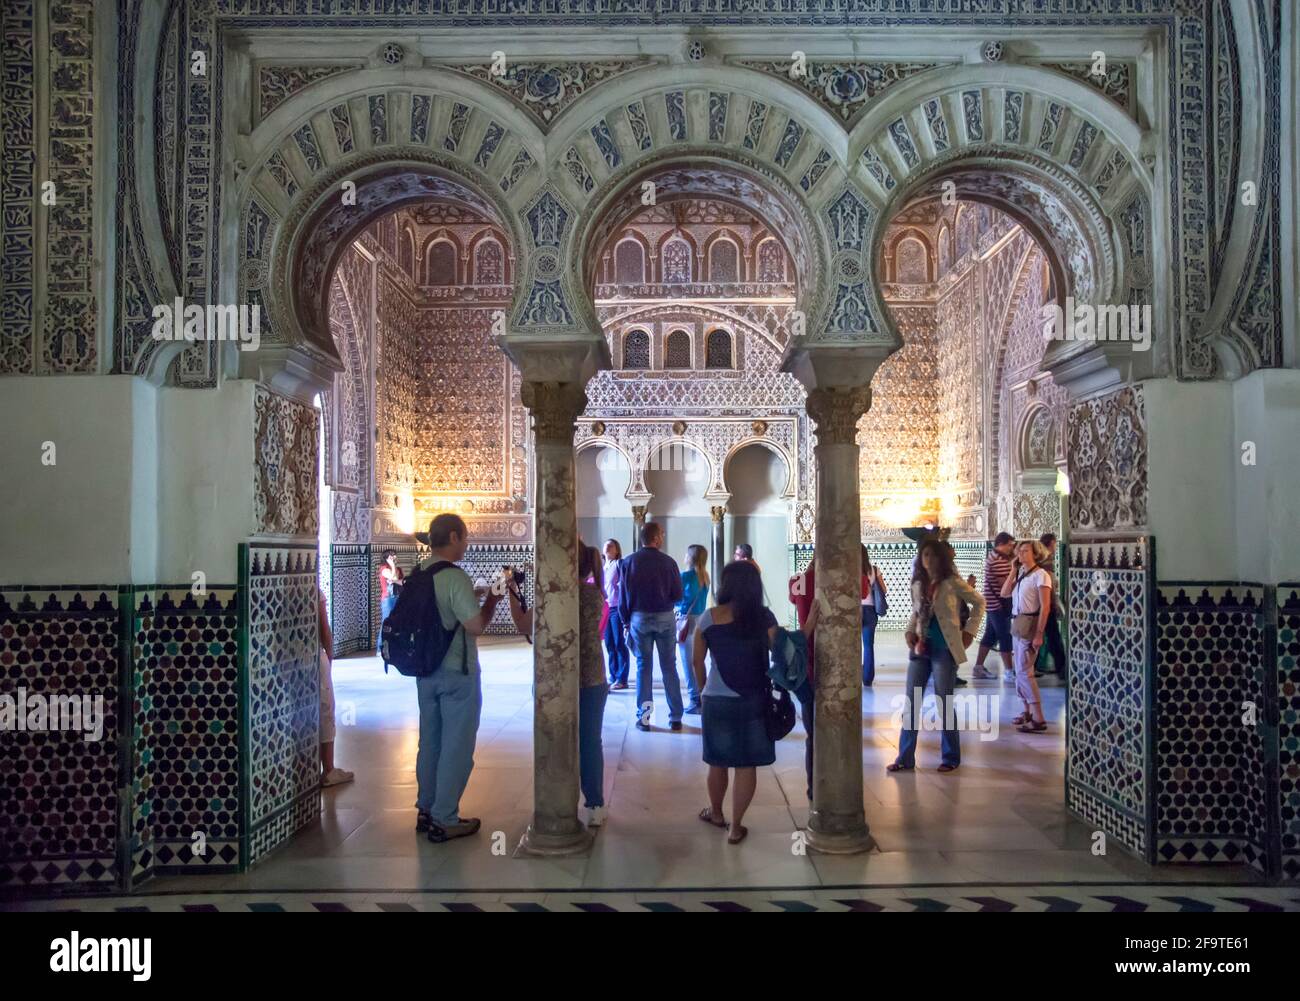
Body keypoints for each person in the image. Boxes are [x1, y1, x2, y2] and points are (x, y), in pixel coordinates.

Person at [692, 560, 816, 844]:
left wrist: (702, 692)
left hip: (716, 699)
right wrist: (807, 627)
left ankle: (716, 813)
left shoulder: (709, 617)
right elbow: (785, 651)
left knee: (717, 761)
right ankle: (735, 828)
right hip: (752, 698)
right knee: (745, 765)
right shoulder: (763, 618)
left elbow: (696, 661)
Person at [505, 543, 610, 827]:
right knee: (590, 741)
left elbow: (523, 625)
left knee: (554, 740)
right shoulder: (594, 593)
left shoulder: (554, 595)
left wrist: (513, 592)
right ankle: (595, 806)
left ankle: (555, 803)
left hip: (556, 678)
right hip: (593, 676)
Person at [413, 513, 504, 842]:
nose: (466, 544)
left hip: (425, 672)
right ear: (452, 537)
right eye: (463, 538)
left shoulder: (419, 572)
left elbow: (444, 609)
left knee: (430, 742)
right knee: (457, 745)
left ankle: (426, 809)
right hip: (456, 674)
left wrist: (474, 595)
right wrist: (493, 599)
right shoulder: (454, 577)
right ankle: (445, 817)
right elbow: (475, 626)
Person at [889, 539, 985, 774]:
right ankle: (905, 757)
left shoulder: (952, 583)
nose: (929, 559)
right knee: (912, 702)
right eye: (925, 555)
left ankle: (950, 756)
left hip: (944, 649)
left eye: (933, 555)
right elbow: (916, 612)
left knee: (944, 702)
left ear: (942, 558)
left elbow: (979, 602)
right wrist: (910, 631)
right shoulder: (919, 584)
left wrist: (969, 631)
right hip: (921, 649)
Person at [619, 521, 685, 731]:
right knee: (669, 667)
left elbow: (623, 597)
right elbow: (678, 594)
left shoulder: (628, 562)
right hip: (665, 617)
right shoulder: (669, 562)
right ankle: (675, 717)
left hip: (639, 618)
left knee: (643, 668)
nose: (663, 538)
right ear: (656, 538)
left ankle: (645, 718)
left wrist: (625, 620)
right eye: (662, 535)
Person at [1001, 539, 1053, 733]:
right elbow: (1004, 592)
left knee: (1025, 672)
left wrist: (1039, 634)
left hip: (1030, 624)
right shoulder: (1022, 573)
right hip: (1018, 623)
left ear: (1035, 553)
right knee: (1019, 671)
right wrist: (1013, 570)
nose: (1020, 554)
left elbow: (1045, 607)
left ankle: (1038, 717)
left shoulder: (1041, 576)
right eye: (1019, 551)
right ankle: (1027, 711)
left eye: (1025, 551)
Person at [318, 589, 354, 788]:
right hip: (315, 657)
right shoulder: (314, 592)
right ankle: (329, 769)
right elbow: (324, 628)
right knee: (325, 711)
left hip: (291, 660)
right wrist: (329, 655)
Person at [970, 532, 1015, 682]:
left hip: (992, 603)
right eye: (1010, 545)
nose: (1011, 549)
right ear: (1003, 544)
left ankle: (978, 668)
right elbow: (1005, 587)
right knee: (1005, 636)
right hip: (998, 605)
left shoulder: (994, 557)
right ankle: (1009, 672)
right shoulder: (999, 561)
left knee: (990, 636)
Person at [676, 544, 710, 714]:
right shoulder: (705, 577)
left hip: (687, 622)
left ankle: (695, 699)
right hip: (702, 620)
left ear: (690, 557)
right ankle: (702, 694)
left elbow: (678, 599)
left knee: (687, 661)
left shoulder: (685, 576)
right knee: (698, 660)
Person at [1038, 533, 1068, 681]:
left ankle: (1041, 664)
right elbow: (1048, 582)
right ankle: (1061, 667)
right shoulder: (1046, 559)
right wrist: (1052, 601)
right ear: (1051, 543)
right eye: (1055, 544)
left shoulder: (1040, 557)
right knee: (1053, 636)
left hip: (1040, 603)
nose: (1056, 547)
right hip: (1045, 604)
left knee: (1048, 635)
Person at [601, 539, 630, 690]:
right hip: (605, 609)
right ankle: (613, 676)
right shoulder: (601, 567)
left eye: (611, 545)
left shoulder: (619, 564)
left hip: (616, 608)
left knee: (619, 643)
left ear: (616, 550)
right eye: (606, 544)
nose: (607, 546)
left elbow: (626, 585)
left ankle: (622, 678)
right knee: (609, 644)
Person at [860, 544, 887, 686]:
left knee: (853, 645)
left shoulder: (851, 569)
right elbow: (884, 589)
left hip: (854, 611)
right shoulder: (874, 570)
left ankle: (853, 673)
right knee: (868, 645)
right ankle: (867, 678)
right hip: (870, 610)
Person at [376, 550, 405, 655]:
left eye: (394, 555)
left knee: (397, 622)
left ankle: (394, 646)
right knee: (386, 622)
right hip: (388, 599)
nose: (394, 557)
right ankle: (380, 648)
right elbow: (393, 578)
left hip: (398, 597)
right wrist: (392, 566)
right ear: (386, 558)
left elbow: (400, 581)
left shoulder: (398, 569)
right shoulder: (384, 569)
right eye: (392, 555)